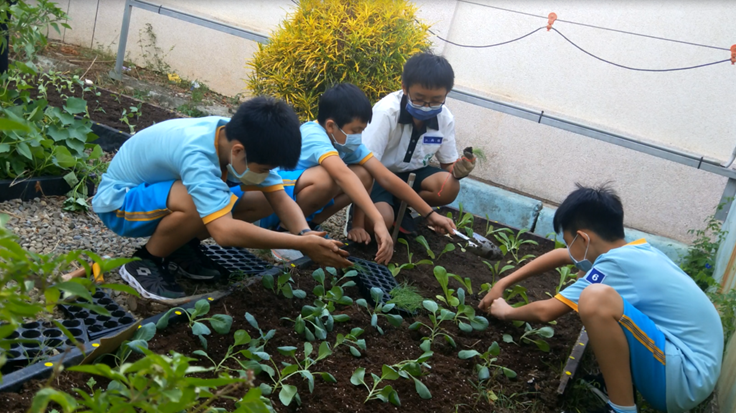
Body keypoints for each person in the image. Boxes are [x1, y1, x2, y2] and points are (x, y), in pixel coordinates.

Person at [478, 185, 723, 413]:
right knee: (605, 298)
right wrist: (503, 282)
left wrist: (506, 311)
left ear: (584, 238)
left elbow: (547, 312)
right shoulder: (636, 251)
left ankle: (621, 409)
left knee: (595, 298)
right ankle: (615, 386)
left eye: (568, 240)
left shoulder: (615, 265)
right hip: (695, 370)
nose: (568, 250)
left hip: (682, 384)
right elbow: (562, 255)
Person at [92, 97, 351, 301]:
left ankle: (181, 245)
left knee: (261, 198)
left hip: (156, 194)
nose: (265, 174)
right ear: (239, 151)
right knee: (197, 201)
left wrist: (305, 233)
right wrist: (299, 244)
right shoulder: (196, 152)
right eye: (263, 168)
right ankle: (146, 261)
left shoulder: (242, 136)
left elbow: (279, 198)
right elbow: (224, 233)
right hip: (120, 203)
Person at [254, 83, 457, 264]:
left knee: (364, 173)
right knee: (328, 178)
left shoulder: (347, 142)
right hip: (271, 203)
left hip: (298, 203)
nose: (359, 136)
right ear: (331, 126)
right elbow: (343, 175)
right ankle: (284, 234)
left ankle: (308, 227)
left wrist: (429, 214)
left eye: (362, 130)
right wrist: (377, 220)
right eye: (355, 130)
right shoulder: (313, 135)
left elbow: (385, 177)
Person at [355, 52, 477, 234]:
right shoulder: (387, 112)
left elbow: (448, 164)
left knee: (449, 186)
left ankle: (400, 209)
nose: (427, 106)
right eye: (419, 99)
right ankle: (380, 212)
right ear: (405, 88)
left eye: (436, 100)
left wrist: (459, 169)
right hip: (378, 177)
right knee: (380, 221)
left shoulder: (444, 118)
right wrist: (429, 214)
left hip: (411, 175)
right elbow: (365, 166)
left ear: (447, 93)